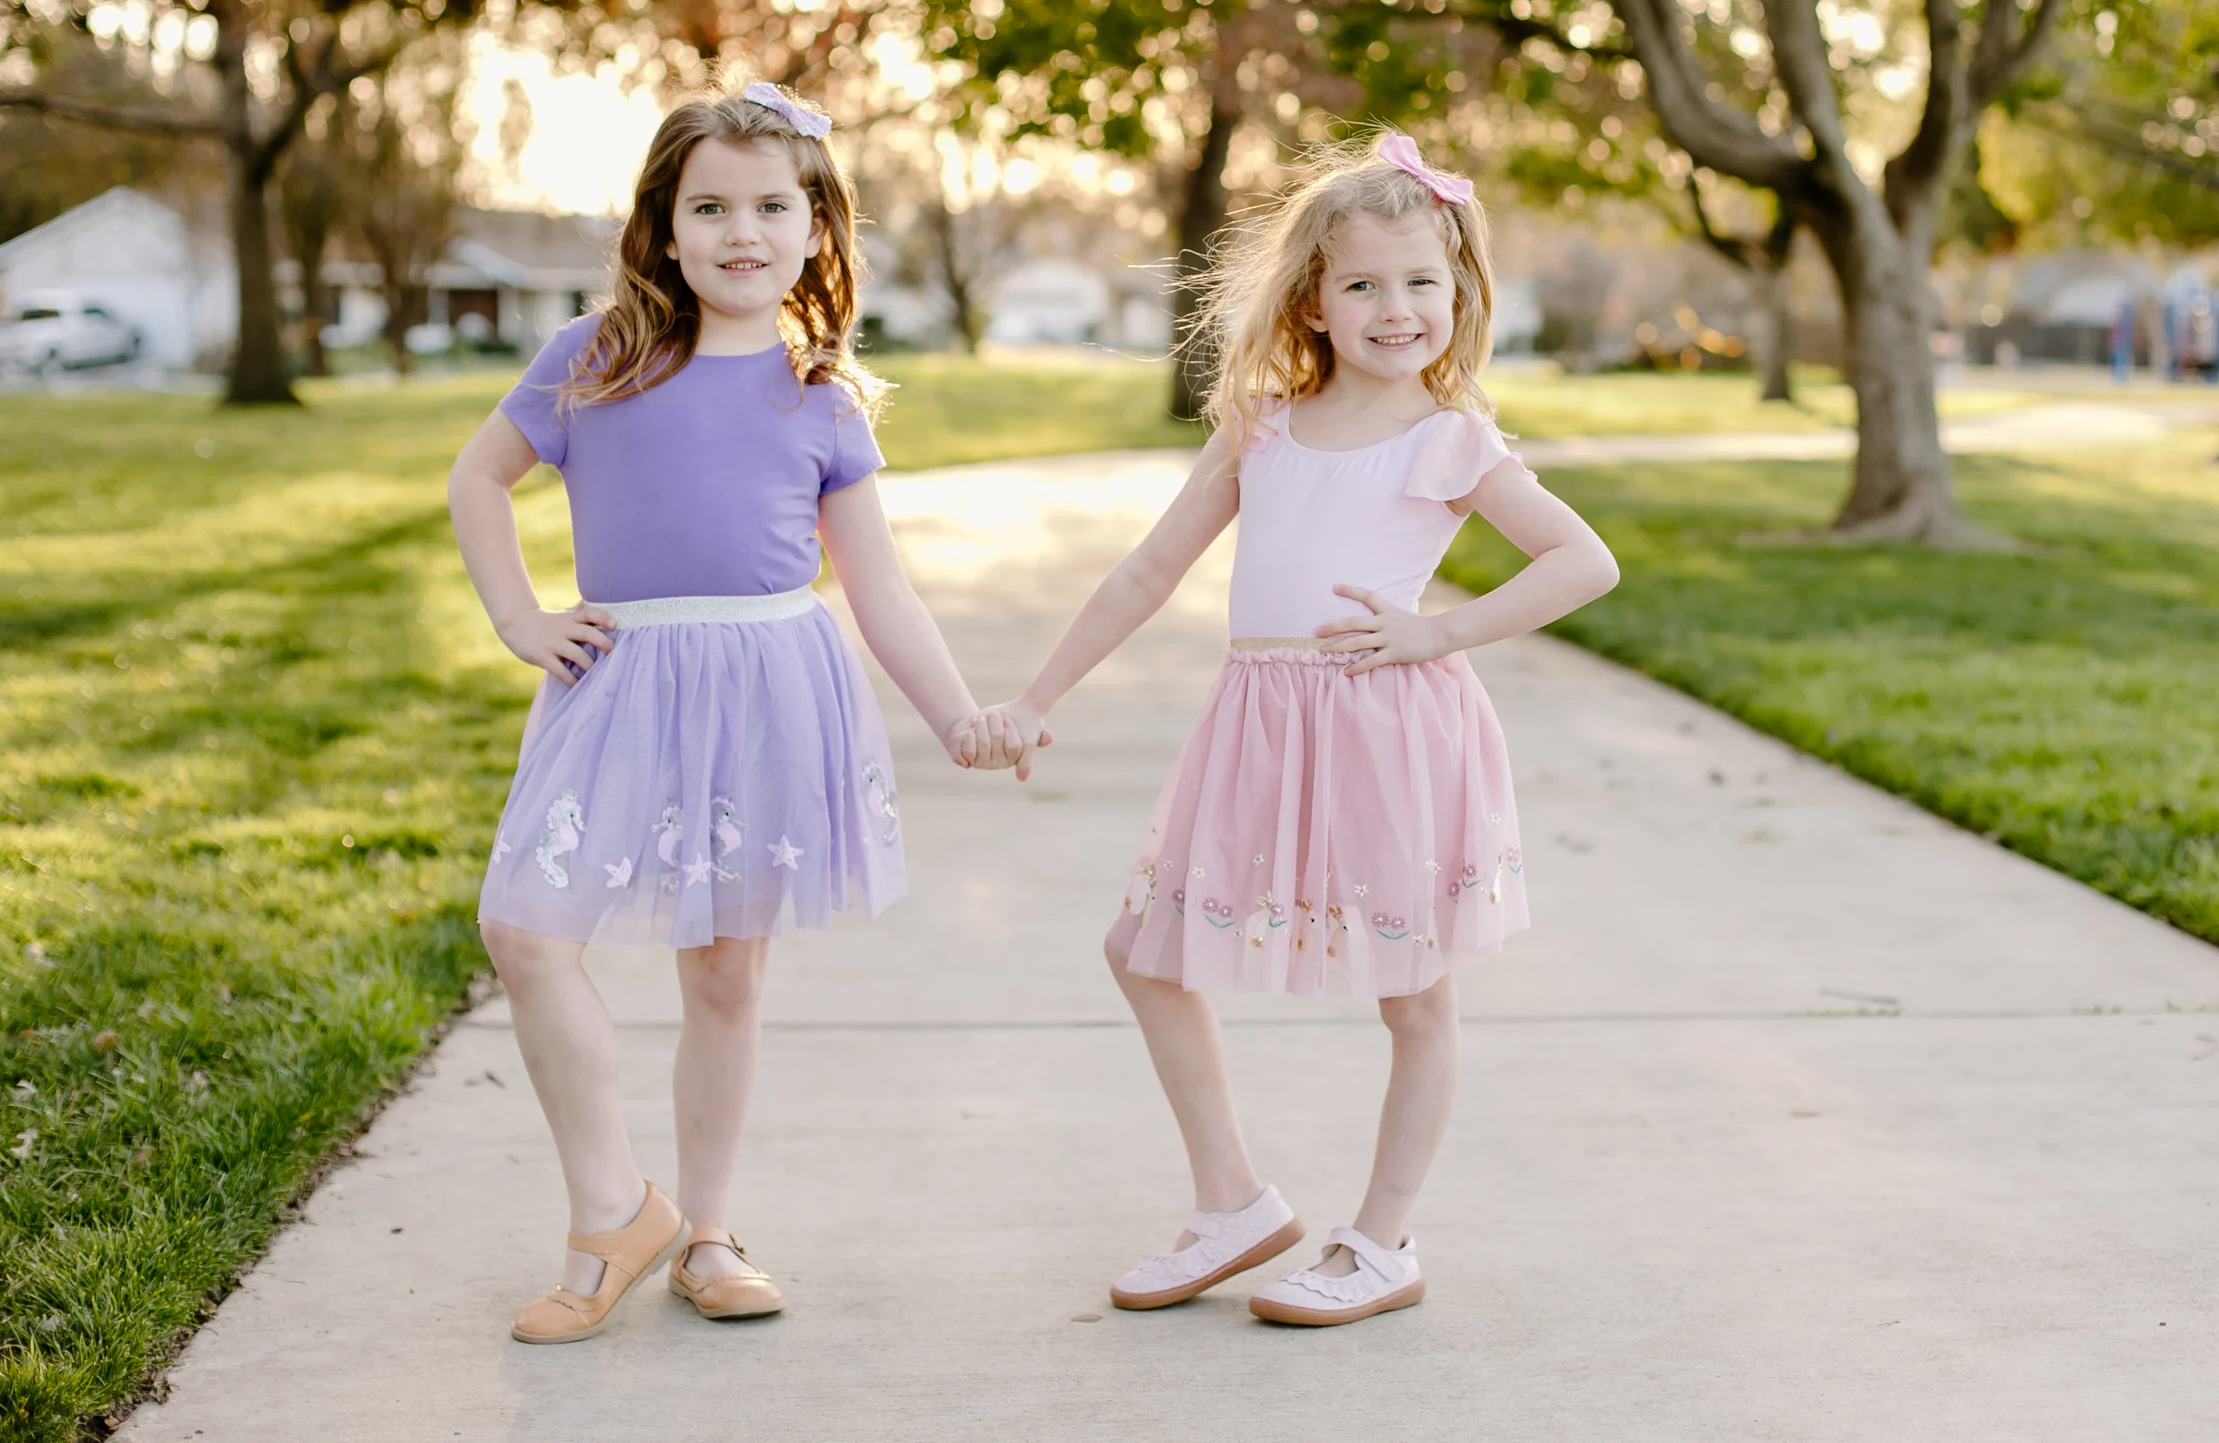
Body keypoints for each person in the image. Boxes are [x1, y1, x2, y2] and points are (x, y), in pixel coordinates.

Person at [982, 132, 1619, 1327]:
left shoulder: (1449, 438)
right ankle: (1231, 1201)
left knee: (1413, 994)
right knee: (1142, 949)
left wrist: (1441, 631)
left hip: (1389, 729)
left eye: (1422, 280)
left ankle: (1382, 1238)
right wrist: (1035, 696)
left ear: (1460, 293)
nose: (1396, 307)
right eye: (1364, 284)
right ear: (1314, 300)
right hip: (1259, 726)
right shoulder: (1262, 427)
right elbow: (1146, 569)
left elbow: (1582, 561)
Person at [447, 83, 1006, 1344]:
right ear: (665, 224)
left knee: (725, 974)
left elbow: (881, 589)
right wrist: (520, 617)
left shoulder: (821, 394)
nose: (740, 231)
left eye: (770, 206)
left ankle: (704, 1230)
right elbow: (477, 478)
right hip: (620, 680)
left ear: (816, 228)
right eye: (710, 206)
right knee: (526, 928)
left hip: (766, 686)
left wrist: (960, 716)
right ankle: (611, 1213)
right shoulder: (596, 353)